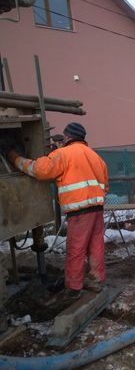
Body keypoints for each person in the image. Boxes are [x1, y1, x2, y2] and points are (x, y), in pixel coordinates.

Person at [6, 122, 109, 303]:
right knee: (96, 246)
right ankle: (96, 280)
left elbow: (39, 170)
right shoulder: (96, 157)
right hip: (97, 209)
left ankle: (74, 288)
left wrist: (15, 158)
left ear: (68, 137)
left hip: (79, 212)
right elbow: (105, 186)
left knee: (75, 250)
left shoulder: (63, 154)